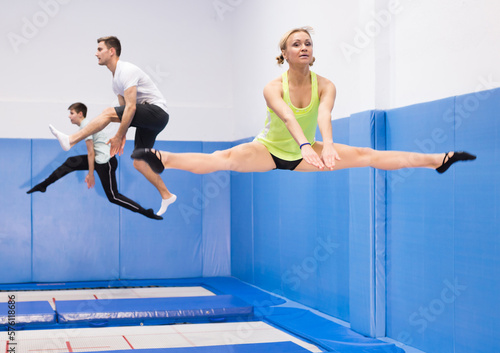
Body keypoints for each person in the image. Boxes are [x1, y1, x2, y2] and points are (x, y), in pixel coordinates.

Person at [131, 27, 476, 178]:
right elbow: (287, 117)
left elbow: (324, 114)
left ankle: (438, 160)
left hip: (307, 152)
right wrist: (306, 145)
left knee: (368, 155)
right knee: (224, 160)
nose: (304, 47)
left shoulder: (325, 84)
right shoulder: (271, 86)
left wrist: (324, 146)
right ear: (284, 54)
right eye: (296, 44)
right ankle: (163, 158)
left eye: (308, 43)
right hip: (269, 150)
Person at [48, 36, 176, 216]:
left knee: (108, 113)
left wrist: (117, 136)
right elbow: (124, 113)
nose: (96, 53)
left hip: (157, 112)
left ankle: (71, 140)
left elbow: (130, 108)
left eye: (99, 49)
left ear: (112, 51)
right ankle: (166, 194)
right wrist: (122, 135)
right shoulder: (115, 81)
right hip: (148, 121)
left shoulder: (127, 70)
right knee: (139, 163)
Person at [29, 102, 163, 220]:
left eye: (71, 113)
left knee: (114, 197)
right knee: (71, 162)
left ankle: (145, 212)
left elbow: (91, 152)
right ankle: (44, 185)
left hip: (106, 163)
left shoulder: (86, 127)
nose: (69, 116)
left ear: (80, 114)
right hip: (99, 159)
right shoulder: (86, 126)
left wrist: (91, 174)